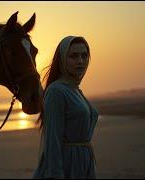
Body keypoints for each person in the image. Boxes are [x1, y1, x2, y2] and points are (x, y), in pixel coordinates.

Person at [33, 36, 99, 179]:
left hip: (82, 162)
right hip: (67, 164)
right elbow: (52, 140)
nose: (80, 61)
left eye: (84, 55)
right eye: (73, 56)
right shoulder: (57, 91)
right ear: (63, 59)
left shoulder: (75, 89)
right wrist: (56, 175)